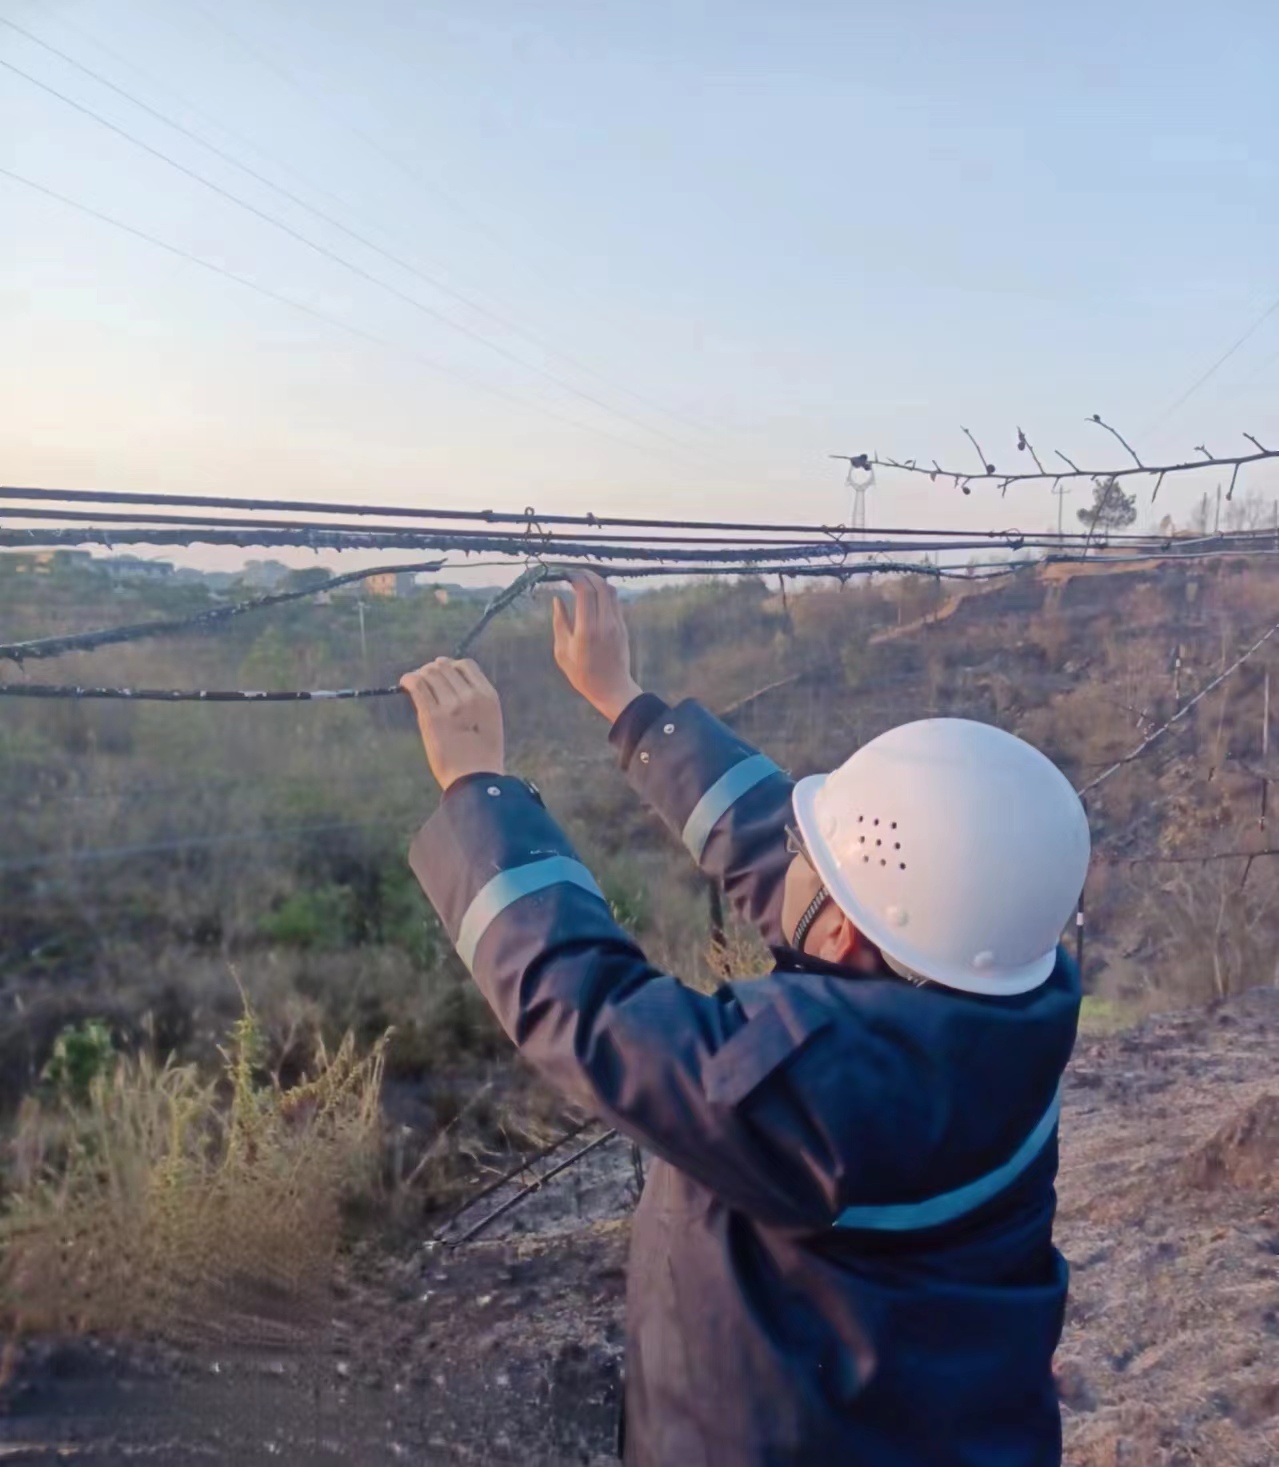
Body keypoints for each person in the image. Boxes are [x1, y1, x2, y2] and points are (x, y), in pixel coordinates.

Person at [399, 570, 1091, 1467]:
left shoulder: (824, 1096)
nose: (788, 848)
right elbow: (803, 860)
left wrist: (477, 792)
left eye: (815, 856)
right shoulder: (1005, 1001)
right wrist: (626, 705)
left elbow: (590, 1010)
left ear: (844, 930)